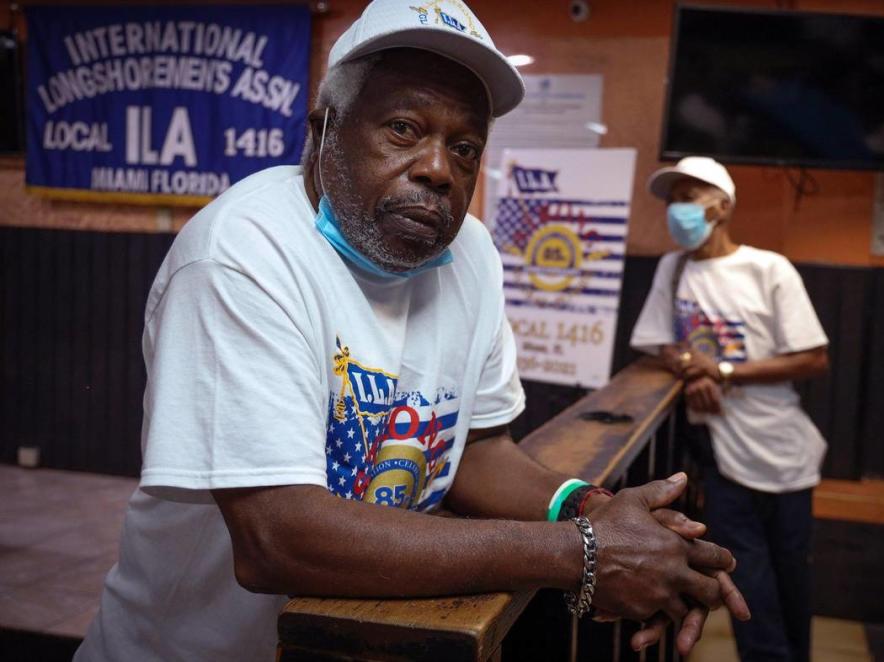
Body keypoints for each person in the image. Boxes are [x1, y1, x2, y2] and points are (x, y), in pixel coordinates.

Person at [75, 4, 749, 660]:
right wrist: (585, 553)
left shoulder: (473, 254)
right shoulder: (243, 253)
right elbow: (277, 537)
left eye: (464, 148)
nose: (437, 168)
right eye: (403, 129)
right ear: (323, 131)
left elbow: (476, 453)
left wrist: (597, 511)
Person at [630, 156, 830, 661]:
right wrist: (689, 366)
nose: (678, 209)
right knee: (747, 577)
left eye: (689, 197)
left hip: (781, 450)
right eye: (673, 199)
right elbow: (657, 342)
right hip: (719, 451)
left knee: (791, 575)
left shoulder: (767, 269)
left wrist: (720, 372)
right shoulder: (673, 268)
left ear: (722, 206)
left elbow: (813, 357)